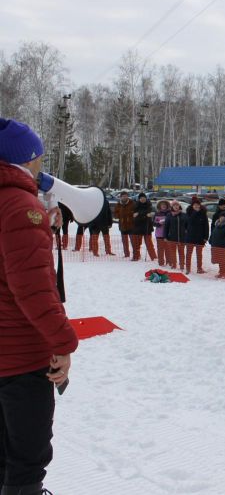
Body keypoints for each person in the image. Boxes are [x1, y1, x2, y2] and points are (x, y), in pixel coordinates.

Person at [0, 118, 78, 495]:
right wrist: (63, 342)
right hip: (20, 357)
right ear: (26, 159)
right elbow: (32, 289)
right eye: (39, 158)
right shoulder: (19, 206)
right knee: (27, 458)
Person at [185, 198, 209, 274]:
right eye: (195, 205)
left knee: (199, 254)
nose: (196, 206)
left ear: (200, 205)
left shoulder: (203, 213)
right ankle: (188, 268)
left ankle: (199, 268)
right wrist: (195, 212)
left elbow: (206, 226)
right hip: (190, 237)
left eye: (198, 205)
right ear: (192, 205)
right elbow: (189, 221)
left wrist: (206, 237)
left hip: (200, 237)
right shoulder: (189, 213)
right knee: (189, 254)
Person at [131, 192, 156, 261]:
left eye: (144, 198)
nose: (142, 199)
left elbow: (153, 212)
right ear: (139, 199)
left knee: (149, 243)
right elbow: (133, 214)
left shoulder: (149, 205)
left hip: (147, 227)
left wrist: (140, 214)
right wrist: (142, 214)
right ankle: (136, 256)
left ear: (146, 198)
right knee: (136, 244)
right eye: (141, 198)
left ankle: (153, 257)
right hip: (137, 227)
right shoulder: (136, 205)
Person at [164, 200, 188, 270]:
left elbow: (187, 226)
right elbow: (166, 227)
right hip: (172, 237)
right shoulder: (169, 215)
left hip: (182, 237)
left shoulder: (184, 215)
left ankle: (182, 265)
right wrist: (165, 236)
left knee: (181, 252)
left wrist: (186, 233)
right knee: (172, 252)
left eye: (177, 205)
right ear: (172, 207)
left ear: (179, 206)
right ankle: (173, 264)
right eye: (174, 205)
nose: (176, 207)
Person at [114, 191, 136, 258]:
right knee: (124, 241)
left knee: (133, 241)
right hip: (122, 225)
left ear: (127, 196)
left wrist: (131, 214)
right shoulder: (118, 204)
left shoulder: (132, 203)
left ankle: (136, 254)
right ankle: (126, 254)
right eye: (123, 196)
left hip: (131, 225)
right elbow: (115, 213)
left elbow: (136, 212)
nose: (124, 197)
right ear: (120, 197)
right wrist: (119, 216)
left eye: (126, 196)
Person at [152, 200, 171, 266]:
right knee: (160, 249)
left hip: (168, 234)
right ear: (159, 206)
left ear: (167, 206)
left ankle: (169, 262)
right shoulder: (157, 213)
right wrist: (159, 223)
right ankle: (161, 262)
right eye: (162, 204)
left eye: (165, 204)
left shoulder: (170, 213)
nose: (163, 206)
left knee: (168, 249)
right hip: (159, 234)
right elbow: (153, 223)